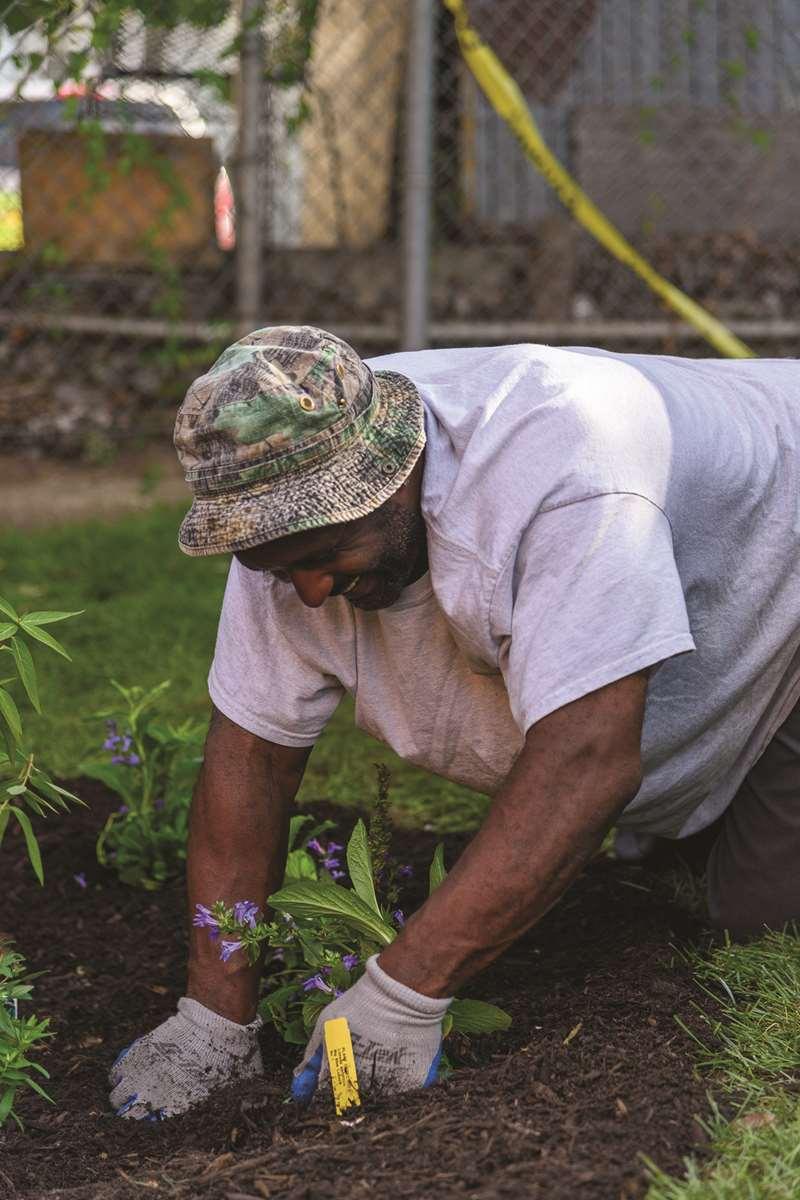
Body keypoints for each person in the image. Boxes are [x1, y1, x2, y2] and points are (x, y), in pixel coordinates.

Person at [109, 325, 800, 1121]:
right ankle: (704, 806)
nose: (306, 592)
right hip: (703, 577)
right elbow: (249, 758)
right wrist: (213, 1016)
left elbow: (587, 759)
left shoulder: (564, 470)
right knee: (665, 817)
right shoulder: (285, 493)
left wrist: (401, 995)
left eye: (329, 552)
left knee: (756, 912)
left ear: (394, 475)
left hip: (786, 555)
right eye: (278, 566)